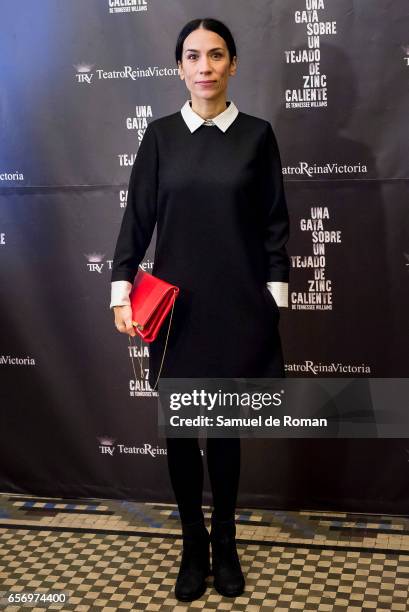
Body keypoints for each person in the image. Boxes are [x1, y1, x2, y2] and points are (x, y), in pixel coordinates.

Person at [110, 17, 290, 602]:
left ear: (233, 64)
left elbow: (274, 224)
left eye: (216, 55)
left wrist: (275, 295)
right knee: (183, 434)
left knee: (226, 432)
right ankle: (192, 546)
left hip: (239, 305)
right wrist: (120, 291)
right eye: (193, 56)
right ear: (180, 67)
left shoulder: (258, 135)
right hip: (177, 310)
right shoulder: (160, 137)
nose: (205, 66)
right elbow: (136, 222)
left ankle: (226, 542)